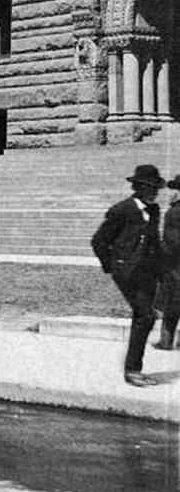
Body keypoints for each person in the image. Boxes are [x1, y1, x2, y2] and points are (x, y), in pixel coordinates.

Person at [91, 163, 167, 386]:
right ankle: (132, 370)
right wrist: (113, 266)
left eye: (156, 188)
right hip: (126, 273)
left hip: (147, 273)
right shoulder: (121, 210)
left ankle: (134, 368)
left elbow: (153, 242)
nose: (154, 193)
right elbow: (99, 241)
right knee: (146, 315)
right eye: (150, 188)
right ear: (138, 188)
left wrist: (161, 271)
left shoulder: (154, 211)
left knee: (145, 316)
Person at [152, 176, 180, 351]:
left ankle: (166, 341)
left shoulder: (174, 212)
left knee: (172, 305)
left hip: (175, 265)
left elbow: (172, 241)